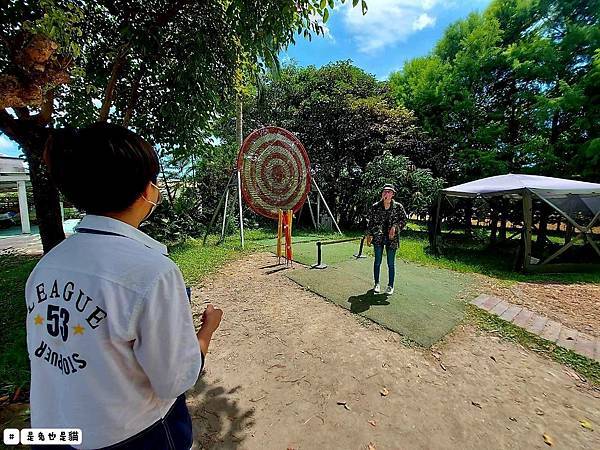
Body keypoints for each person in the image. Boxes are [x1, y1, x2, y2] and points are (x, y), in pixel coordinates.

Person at [26, 122, 222, 449]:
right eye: (153, 180)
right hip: (132, 436)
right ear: (146, 191)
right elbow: (174, 379)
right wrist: (206, 332)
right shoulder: (153, 272)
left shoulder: (45, 267)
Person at [366, 183, 407, 295]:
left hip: (391, 238)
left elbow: (404, 220)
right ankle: (377, 283)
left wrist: (395, 227)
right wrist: (369, 235)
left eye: (389, 192)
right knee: (377, 261)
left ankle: (390, 285)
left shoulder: (398, 207)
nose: (386, 193)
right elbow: (370, 222)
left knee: (390, 263)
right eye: (384, 191)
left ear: (393, 194)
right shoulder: (375, 207)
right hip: (378, 238)